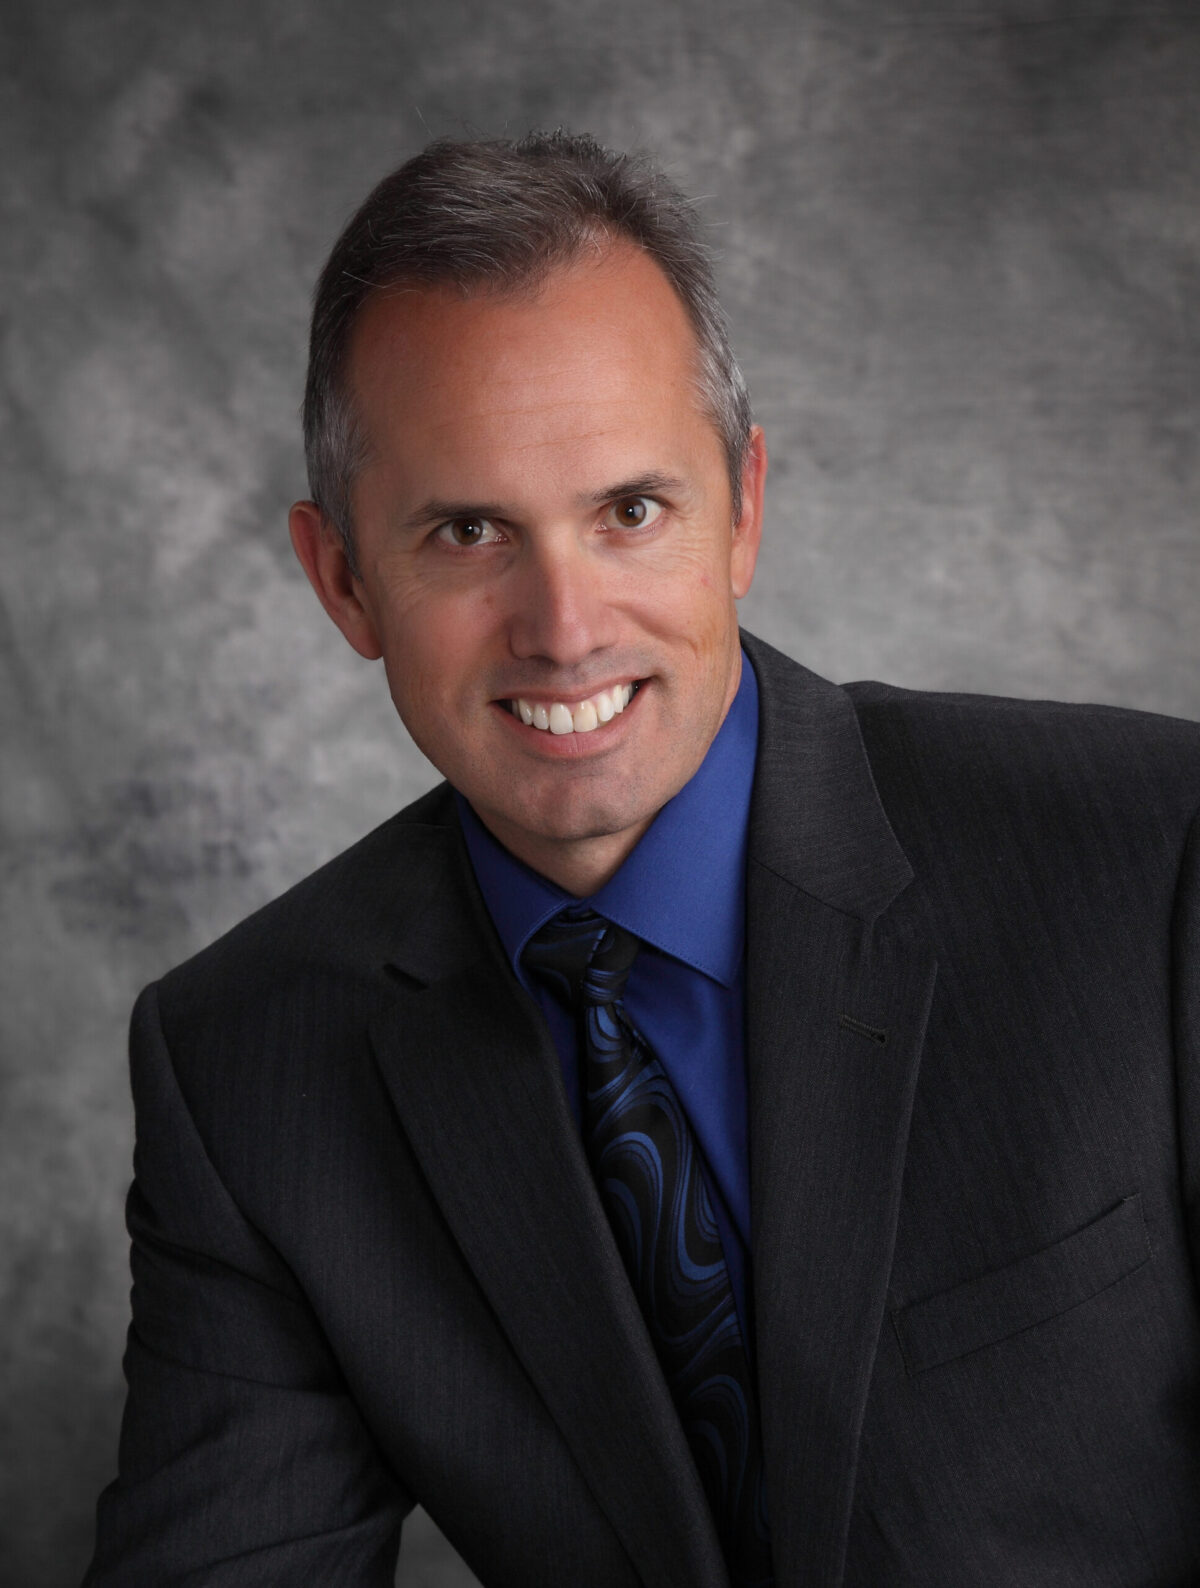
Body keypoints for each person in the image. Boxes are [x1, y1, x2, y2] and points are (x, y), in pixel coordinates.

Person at [84, 131, 1200, 1588]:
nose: (562, 626)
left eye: (629, 512)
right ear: (343, 579)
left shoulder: (1146, 854)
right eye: (470, 531)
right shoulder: (247, 1072)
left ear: (741, 510)